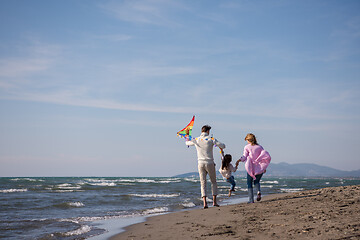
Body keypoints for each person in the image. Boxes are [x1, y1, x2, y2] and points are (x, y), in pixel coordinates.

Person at [186, 125, 225, 208]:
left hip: (200, 163)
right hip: (210, 162)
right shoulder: (211, 139)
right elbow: (223, 146)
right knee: (213, 182)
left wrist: (187, 135)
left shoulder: (196, 139)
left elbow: (187, 143)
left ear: (201, 131)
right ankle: (214, 202)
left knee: (203, 183)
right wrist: (217, 144)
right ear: (208, 131)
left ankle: (205, 203)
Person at [236, 133, 271, 203]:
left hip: (251, 168)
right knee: (257, 181)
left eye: (247, 140)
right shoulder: (260, 147)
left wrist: (239, 160)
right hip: (260, 168)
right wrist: (264, 168)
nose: (247, 142)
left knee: (249, 183)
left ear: (248, 140)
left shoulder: (247, 147)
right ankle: (258, 191)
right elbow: (263, 157)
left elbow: (244, 156)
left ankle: (251, 200)